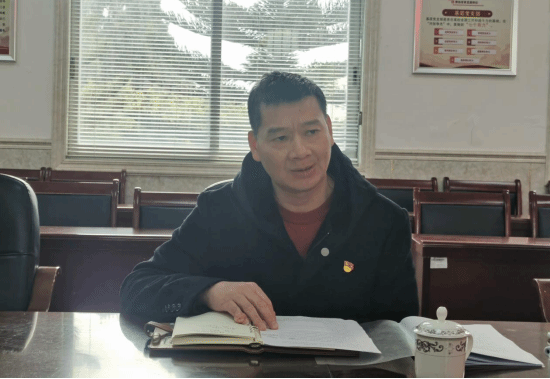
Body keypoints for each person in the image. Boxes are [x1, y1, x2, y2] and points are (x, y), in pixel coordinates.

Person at [120, 71, 419, 330]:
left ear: (329, 130)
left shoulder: (383, 220)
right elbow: (136, 289)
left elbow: (398, 332)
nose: (300, 151)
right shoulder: (219, 211)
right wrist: (209, 291)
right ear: (255, 145)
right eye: (280, 138)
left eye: (311, 131)